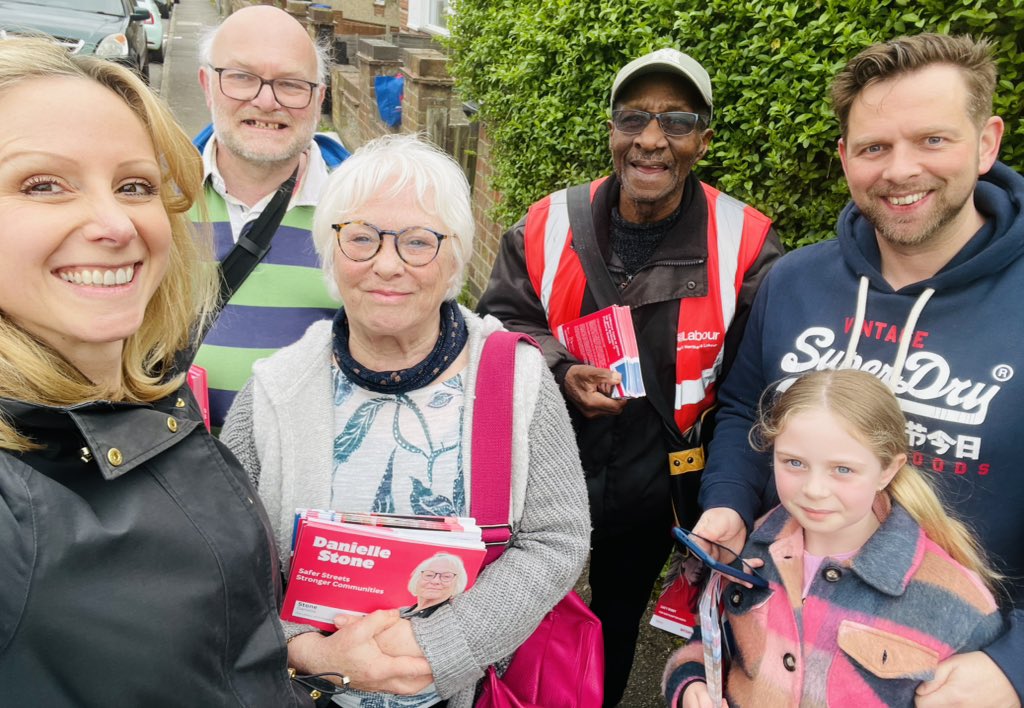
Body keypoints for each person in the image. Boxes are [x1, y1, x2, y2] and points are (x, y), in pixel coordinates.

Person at [693, 33, 1023, 706]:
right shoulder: (794, 282)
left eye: (933, 140)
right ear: (846, 158)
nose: (901, 170)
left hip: (960, 671)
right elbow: (743, 409)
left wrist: (1017, 663)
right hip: (785, 639)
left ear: (987, 142)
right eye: (875, 147)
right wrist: (726, 501)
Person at [221, 133, 590, 708]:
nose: (387, 265)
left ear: (453, 260)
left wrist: (439, 649)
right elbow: (224, 560)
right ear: (331, 252)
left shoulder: (518, 379)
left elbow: (557, 537)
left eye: (418, 242)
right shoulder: (273, 392)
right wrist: (308, 654)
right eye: (361, 238)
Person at [476, 47, 783, 704]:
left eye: (676, 120)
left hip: (656, 491)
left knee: (614, 626)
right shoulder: (546, 223)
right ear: (611, 130)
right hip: (540, 477)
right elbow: (501, 320)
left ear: (703, 138)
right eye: (634, 118)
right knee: (512, 613)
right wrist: (558, 368)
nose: (651, 139)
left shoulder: (747, 241)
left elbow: (757, 380)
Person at [0, 36, 295, 705]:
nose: (114, 222)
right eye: (43, 185)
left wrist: (291, 669)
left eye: (135, 186)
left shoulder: (142, 401)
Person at [665, 370, 1005, 708]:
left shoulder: (958, 602)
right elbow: (711, 642)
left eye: (842, 469)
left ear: (888, 469)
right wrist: (692, 682)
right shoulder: (751, 550)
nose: (814, 490)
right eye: (794, 462)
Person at [192, 5, 349, 430]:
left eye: (290, 84)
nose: (266, 100)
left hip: (304, 474)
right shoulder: (149, 197)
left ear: (318, 97)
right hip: (168, 473)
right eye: (241, 77)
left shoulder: (363, 211)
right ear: (208, 85)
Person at [403, 554, 468, 617]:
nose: (435, 581)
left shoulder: (452, 620)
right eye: (429, 575)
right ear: (417, 579)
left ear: (458, 583)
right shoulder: (401, 612)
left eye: (446, 576)